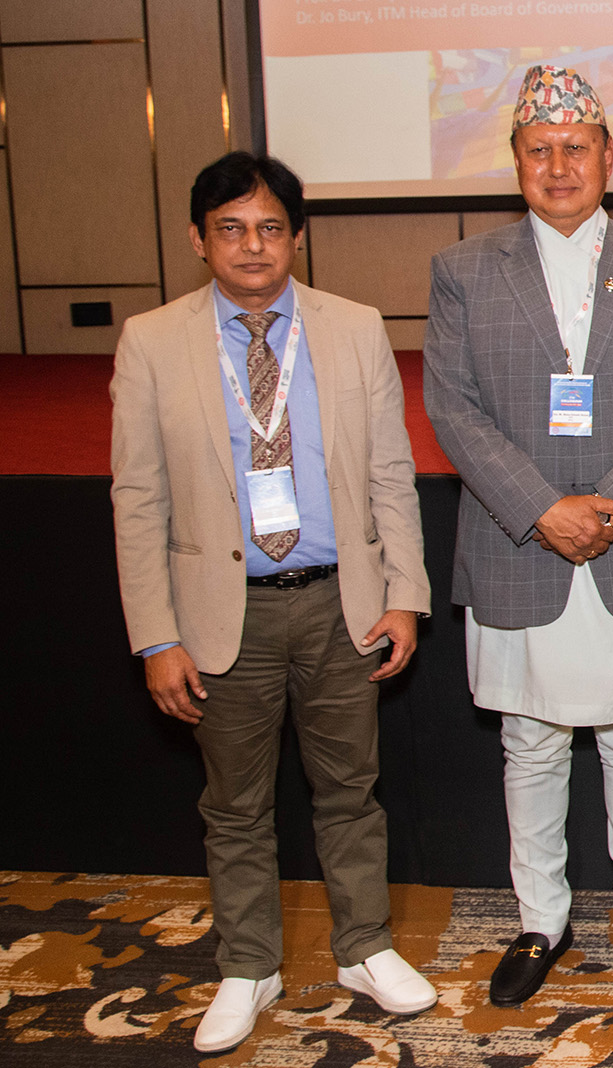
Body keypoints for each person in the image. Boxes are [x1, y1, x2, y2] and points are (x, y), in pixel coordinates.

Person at [110, 152, 436, 1052]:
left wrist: (405, 595)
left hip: (341, 606)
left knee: (351, 793)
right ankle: (248, 966)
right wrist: (155, 637)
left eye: (269, 228)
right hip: (223, 616)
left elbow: (390, 473)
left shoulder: (354, 327)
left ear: (297, 237)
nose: (252, 246)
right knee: (236, 807)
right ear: (198, 239)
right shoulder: (151, 340)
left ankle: (363, 948)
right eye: (231, 228)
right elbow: (137, 498)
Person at [423, 65, 613, 998]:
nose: (559, 166)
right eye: (539, 150)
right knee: (531, 742)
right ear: (516, 161)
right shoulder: (464, 270)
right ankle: (540, 919)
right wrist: (543, 507)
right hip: (520, 540)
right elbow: (453, 408)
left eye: (576, 148)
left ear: (608, 156)